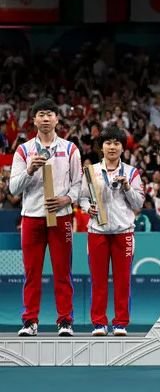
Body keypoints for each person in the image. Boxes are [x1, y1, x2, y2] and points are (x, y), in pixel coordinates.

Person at [9, 97, 82, 337]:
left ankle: (65, 321)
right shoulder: (23, 150)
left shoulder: (70, 148)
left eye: (50, 114)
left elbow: (79, 185)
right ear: (34, 119)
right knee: (32, 272)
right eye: (41, 114)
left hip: (61, 218)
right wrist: (29, 170)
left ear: (57, 118)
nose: (46, 118)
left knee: (63, 271)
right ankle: (30, 321)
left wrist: (66, 199)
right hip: (32, 217)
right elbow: (13, 188)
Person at [79, 126, 145, 336]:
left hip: (123, 232)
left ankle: (120, 323)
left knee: (122, 280)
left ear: (123, 148)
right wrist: (86, 207)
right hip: (97, 231)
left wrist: (127, 187)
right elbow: (81, 197)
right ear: (101, 147)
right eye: (108, 143)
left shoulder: (132, 172)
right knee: (98, 281)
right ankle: (99, 323)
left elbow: (139, 203)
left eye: (117, 143)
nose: (112, 147)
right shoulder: (91, 171)